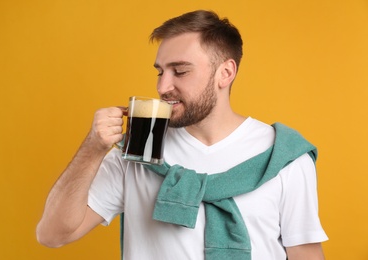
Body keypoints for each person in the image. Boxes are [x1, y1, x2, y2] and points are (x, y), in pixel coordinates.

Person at [36, 10, 328, 259]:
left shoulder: (283, 156)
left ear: (225, 73)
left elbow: (305, 254)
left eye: (180, 71)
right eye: (160, 71)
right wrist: (92, 149)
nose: (163, 87)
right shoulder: (139, 150)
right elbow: (53, 234)